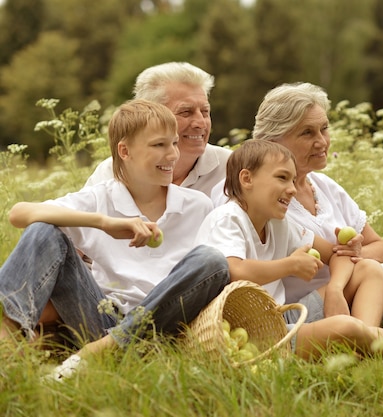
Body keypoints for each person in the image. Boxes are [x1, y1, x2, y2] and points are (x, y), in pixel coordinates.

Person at [0, 99, 229, 379]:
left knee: (212, 261)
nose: (171, 155)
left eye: (174, 144)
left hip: (164, 329)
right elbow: (18, 213)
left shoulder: (198, 205)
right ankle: (7, 341)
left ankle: (102, 351)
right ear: (125, 151)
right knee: (44, 227)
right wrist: (103, 223)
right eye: (159, 145)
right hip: (100, 318)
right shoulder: (100, 198)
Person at [225, 82, 383, 338]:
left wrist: (354, 253)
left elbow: (380, 250)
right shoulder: (266, 200)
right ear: (272, 141)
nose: (321, 141)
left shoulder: (324, 186)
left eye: (324, 129)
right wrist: (344, 264)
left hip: (353, 284)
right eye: (307, 133)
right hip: (307, 304)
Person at [197, 140, 383, 361]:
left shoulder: (278, 223)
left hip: (280, 317)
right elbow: (235, 270)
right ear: (247, 178)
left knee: (368, 269)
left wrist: (336, 291)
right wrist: (290, 265)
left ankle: (367, 344)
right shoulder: (227, 219)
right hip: (251, 334)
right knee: (344, 327)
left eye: (292, 180)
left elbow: (339, 254)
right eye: (282, 178)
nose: (291, 189)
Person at [85, 62, 232, 193]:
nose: (201, 123)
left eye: (205, 111)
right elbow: (70, 217)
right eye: (186, 112)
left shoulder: (231, 168)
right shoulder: (115, 172)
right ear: (150, 114)